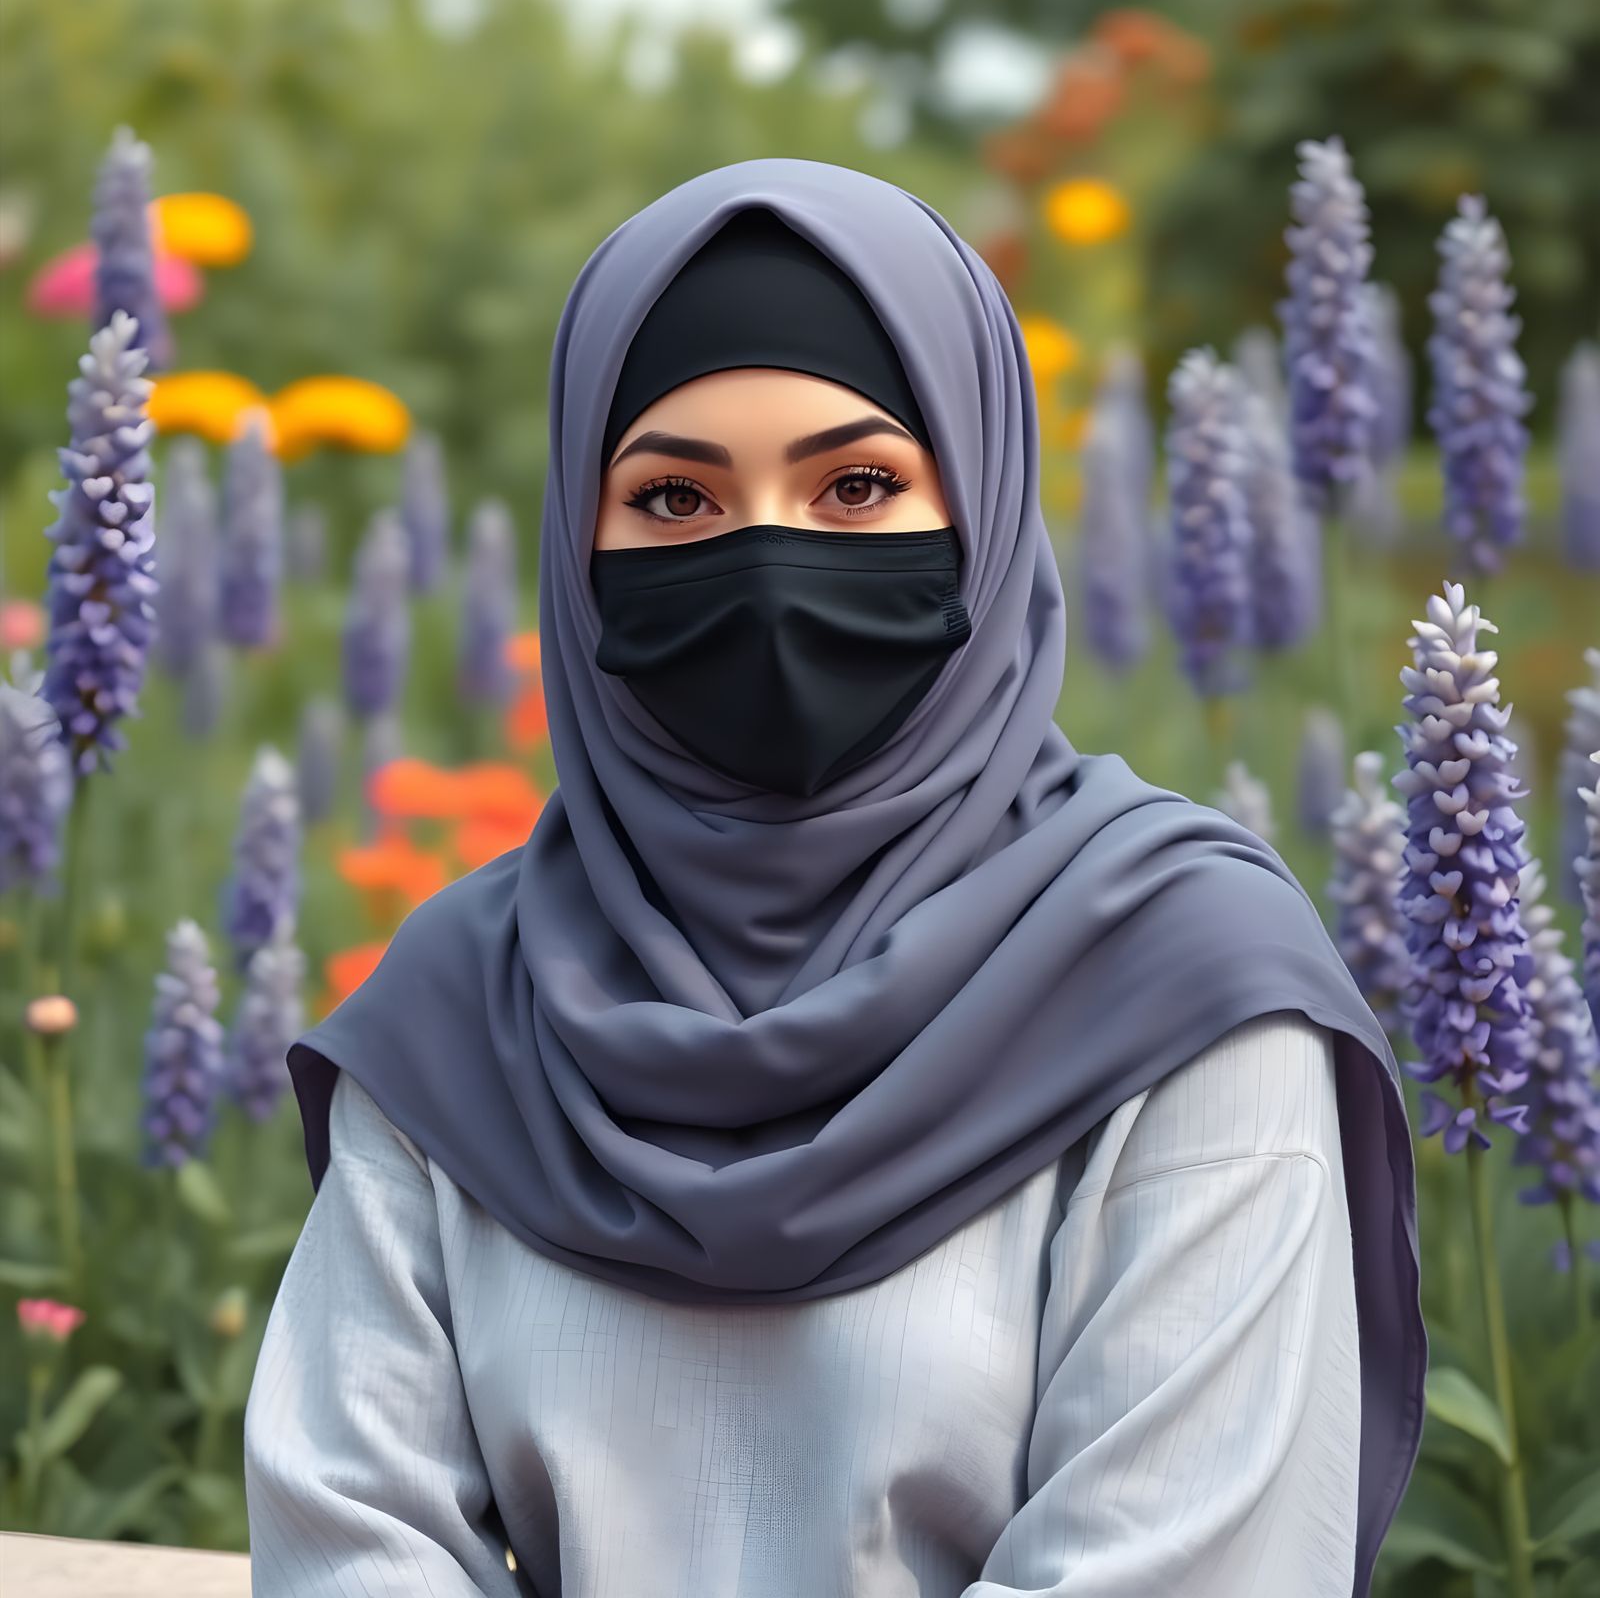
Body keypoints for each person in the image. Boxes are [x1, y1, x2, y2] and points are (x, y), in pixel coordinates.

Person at [243, 162, 1425, 1597]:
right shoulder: (463, 1008)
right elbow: (350, 1539)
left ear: (983, 504)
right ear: (576, 544)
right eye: (674, 499)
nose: (770, 568)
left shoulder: (1186, 990)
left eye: (857, 484)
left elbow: (1178, 1562)